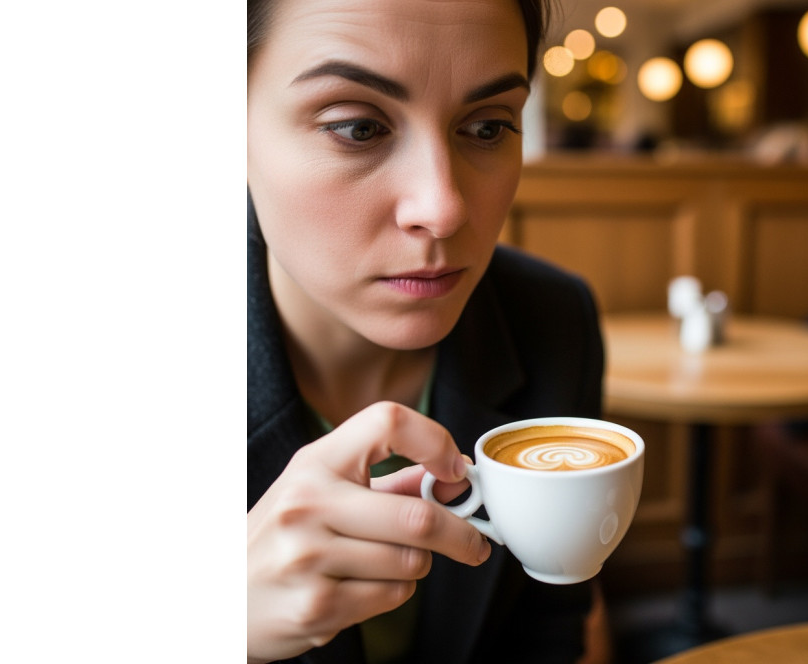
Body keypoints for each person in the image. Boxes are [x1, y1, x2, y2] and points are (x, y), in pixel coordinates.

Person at [246, 1, 605, 662]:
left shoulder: (552, 322)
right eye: (357, 127)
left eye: (489, 127)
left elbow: (549, 631)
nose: (443, 208)